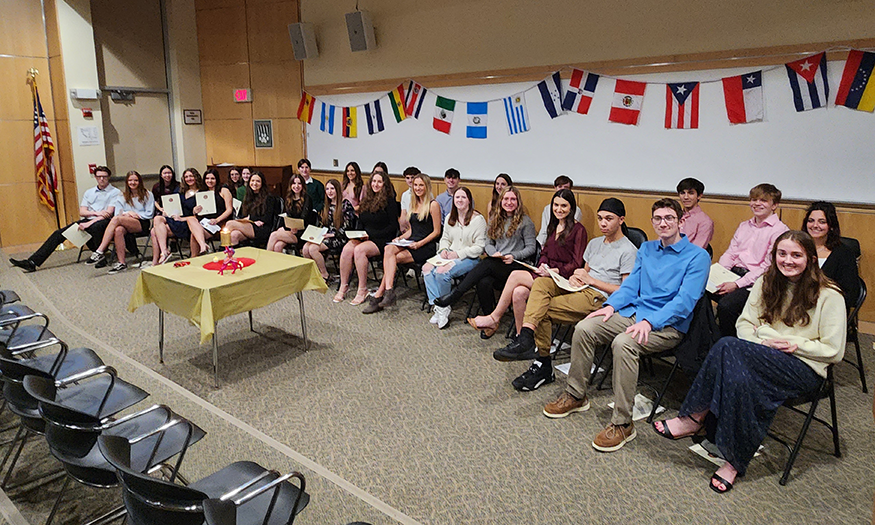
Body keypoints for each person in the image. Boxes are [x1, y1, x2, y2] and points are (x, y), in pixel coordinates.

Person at [652, 230, 846, 493]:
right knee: (741, 379)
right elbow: (745, 324)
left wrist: (793, 343)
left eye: (796, 255)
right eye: (782, 254)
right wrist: (763, 340)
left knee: (726, 345)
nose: (788, 260)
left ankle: (694, 417)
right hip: (761, 355)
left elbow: (833, 351)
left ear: (811, 259)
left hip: (804, 367)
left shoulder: (830, 295)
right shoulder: (767, 282)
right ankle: (732, 462)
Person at [542, 198, 709, 454]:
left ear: (680, 221)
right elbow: (631, 286)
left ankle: (622, 423)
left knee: (623, 343)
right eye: (658, 219)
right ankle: (576, 395)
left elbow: (684, 302)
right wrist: (610, 306)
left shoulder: (697, 256)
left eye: (669, 218)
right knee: (585, 328)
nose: (663, 223)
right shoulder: (648, 249)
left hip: (667, 325)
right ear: (652, 222)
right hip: (635, 313)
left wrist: (650, 321)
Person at [496, 198, 638, 392]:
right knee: (542, 282)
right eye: (600, 218)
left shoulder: (628, 250)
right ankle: (527, 336)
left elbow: (626, 291)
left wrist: (591, 280)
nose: (603, 223)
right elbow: (584, 271)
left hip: (601, 296)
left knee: (541, 310)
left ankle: (542, 363)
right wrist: (576, 278)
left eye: (609, 219)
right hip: (581, 288)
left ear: (621, 220)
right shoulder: (596, 243)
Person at [468, 189, 587, 340]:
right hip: (546, 273)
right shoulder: (553, 226)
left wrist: (555, 270)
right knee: (518, 293)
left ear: (571, 208)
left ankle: (494, 317)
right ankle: (522, 337)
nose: (559, 209)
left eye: (564, 206)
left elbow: (577, 263)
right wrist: (543, 265)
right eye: (556, 205)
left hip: (563, 279)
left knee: (515, 275)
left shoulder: (579, 230)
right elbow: (544, 253)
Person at [433, 186, 536, 335]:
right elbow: (488, 244)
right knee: (484, 281)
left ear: (518, 202)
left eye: (513, 199)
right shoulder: (495, 218)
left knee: (486, 264)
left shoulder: (525, 222)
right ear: (501, 201)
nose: (509, 202)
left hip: (517, 267)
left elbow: (531, 248)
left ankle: (456, 295)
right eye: (506, 199)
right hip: (497, 263)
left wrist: (514, 255)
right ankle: (491, 322)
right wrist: (494, 253)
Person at [10, 167, 122, 273]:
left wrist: (90, 222)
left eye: (104, 176)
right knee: (58, 234)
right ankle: (32, 262)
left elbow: (108, 213)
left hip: (104, 221)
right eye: (99, 176)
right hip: (89, 219)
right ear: (95, 177)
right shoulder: (89, 192)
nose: (101, 179)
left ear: (109, 177)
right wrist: (94, 213)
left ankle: (100, 256)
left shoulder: (115, 192)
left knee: (95, 227)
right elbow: (82, 212)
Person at [715, 183, 789, 337]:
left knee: (726, 306)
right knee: (698, 293)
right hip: (734, 273)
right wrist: (719, 273)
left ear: (774, 205)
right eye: (754, 199)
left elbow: (767, 267)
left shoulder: (780, 231)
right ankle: (709, 339)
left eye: (763, 200)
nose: (757, 204)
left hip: (756, 281)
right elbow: (731, 253)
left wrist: (736, 284)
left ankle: (730, 343)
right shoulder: (744, 226)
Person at [363, 173, 442, 314]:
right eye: (415, 185)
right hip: (411, 242)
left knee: (392, 260)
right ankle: (387, 292)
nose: (417, 188)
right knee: (389, 249)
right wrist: (400, 238)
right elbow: (412, 231)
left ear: (427, 186)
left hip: (425, 246)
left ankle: (379, 295)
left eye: (421, 185)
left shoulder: (433, 205)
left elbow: (436, 232)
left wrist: (419, 244)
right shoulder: (414, 203)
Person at [425, 186, 488, 328]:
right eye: (457, 197)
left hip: (469, 258)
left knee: (441, 272)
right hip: (449, 255)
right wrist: (443, 250)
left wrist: (458, 254)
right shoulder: (449, 218)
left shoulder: (478, 220)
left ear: (469, 201)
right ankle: (439, 307)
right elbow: (445, 238)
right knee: (427, 269)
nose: (459, 200)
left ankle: (444, 305)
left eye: (463, 197)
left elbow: (479, 247)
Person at [334, 170, 399, 305]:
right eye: (374, 181)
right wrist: (357, 235)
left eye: (379, 182)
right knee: (347, 249)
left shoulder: (390, 202)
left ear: (384, 184)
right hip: (365, 237)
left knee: (359, 251)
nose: (376, 184)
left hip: (381, 239)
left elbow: (393, 227)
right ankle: (343, 286)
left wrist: (371, 236)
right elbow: (361, 222)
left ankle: (362, 289)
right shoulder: (367, 200)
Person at [86, 171, 154, 274]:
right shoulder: (122, 195)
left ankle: (100, 251)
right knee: (118, 230)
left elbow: (149, 213)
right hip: (124, 220)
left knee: (116, 220)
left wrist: (134, 214)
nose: (133, 182)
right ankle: (121, 263)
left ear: (140, 181)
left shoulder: (147, 194)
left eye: (135, 180)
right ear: (127, 182)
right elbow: (118, 212)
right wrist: (127, 213)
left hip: (141, 222)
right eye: (130, 180)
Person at [802, 201, 860, 309]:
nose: (815, 225)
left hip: (829, 310)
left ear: (831, 226)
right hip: (797, 307)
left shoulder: (844, 254)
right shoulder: (797, 248)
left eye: (822, 222)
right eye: (811, 221)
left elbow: (850, 294)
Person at [148, 168, 206, 266]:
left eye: (191, 176)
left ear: (196, 177)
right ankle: (164, 251)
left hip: (190, 222)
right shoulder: (180, 190)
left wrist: (195, 211)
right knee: (157, 218)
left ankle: (157, 260)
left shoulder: (202, 192)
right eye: (186, 177)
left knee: (154, 231)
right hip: (176, 219)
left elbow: (204, 212)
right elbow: (173, 204)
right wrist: (167, 211)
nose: (189, 179)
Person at [302, 179, 356, 282]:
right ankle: (314, 273)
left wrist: (332, 234)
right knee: (305, 248)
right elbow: (324, 225)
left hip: (339, 237)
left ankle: (324, 274)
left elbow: (348, 227)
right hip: (326, 235)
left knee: (313, 249)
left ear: (338, 190)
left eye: (332, 189)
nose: (329, 191)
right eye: (327, 189)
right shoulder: (327, 205)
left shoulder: (345, 205)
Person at [224, 171, 282, 247]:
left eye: (258, 181)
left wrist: (251, 218)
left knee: (229, 224)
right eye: (252, 181)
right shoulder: (248, 196)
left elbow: (267, 218)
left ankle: (224, 249)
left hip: (262, 229)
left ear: (262, 183)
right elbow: (242, 215)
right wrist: (249, 220)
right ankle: (236, 257)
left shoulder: (269, 197)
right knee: (234, 235)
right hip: (250, 225)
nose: (254, 183)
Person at [188, 168, 234, 257]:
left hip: (218, 222)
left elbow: (229, 209)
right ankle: (202, 245)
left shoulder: (223, 190)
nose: (209, 181)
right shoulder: (201, 192)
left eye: (212, 178)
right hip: (204, 221)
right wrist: (195, 210)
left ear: (217, 179)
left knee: (194, 235)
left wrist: (217, 220)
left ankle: (194, 257)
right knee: (191, 219)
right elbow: (197, 213)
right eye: (207, 179)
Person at [266, 174, 314, 253]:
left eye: (299, 183)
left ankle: (266, 260)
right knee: (278, 246)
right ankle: (278, 264)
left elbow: (304, 219)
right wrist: (284, 228)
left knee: (274, 235)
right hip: (290, 230)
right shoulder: (289, 198)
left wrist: (288, 228)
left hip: (301, 232)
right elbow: (286, 216)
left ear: (303, 185)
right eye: (294, 183)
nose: (296, 186)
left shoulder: (307, 199)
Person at [536, 176, 582, 245]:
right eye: (560, 187)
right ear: (555, 188)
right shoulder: (548, 208)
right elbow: (544, 230)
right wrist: (539, 246)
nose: (559, 210)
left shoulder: (576, 210)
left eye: (566, 187)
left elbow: (570, 231)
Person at [676, 177, 714, 250]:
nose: (686, 197)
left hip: (686, 259)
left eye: (691, 193)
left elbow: (697, 250)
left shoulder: (705, 221)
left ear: (699, 196)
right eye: (682, 193)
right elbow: (662, 241)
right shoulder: (675, 216)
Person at [398, 166, 421, 232]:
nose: (410, 180)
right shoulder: (405, 195)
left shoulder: (426, 194)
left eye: (412, 177)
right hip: (408, 226)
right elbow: (403, 214)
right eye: (407, 178)